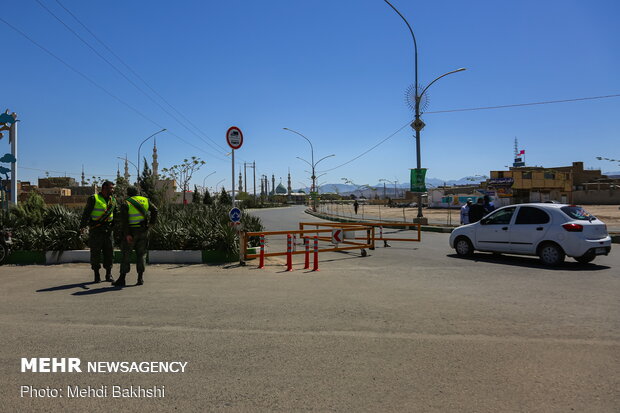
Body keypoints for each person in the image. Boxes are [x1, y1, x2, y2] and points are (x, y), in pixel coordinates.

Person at [113, 186, 158, 287]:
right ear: (138, 192)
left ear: (128, 193)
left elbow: (124, 221)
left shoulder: (126, 203)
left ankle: (122, 279)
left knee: (126, 255)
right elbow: (155, 210)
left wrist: (127, 234)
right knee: (141, 255)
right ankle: (140, 278)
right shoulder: (145, 200)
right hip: (143, 231)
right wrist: (151, 224)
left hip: (131, 232)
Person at [80, 181, 117, 283]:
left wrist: (116, 227)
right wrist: (82, 226)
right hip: (96, 230)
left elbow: (116, 214)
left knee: (109, 253)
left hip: (108, 231)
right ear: (104, 188)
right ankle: (97, 275)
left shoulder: (113, 200)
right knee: (95, 253)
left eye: (113, 188)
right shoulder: (94, 198)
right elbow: (86, 213)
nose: (112, 190)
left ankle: (108, 275)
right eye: (111, 188)